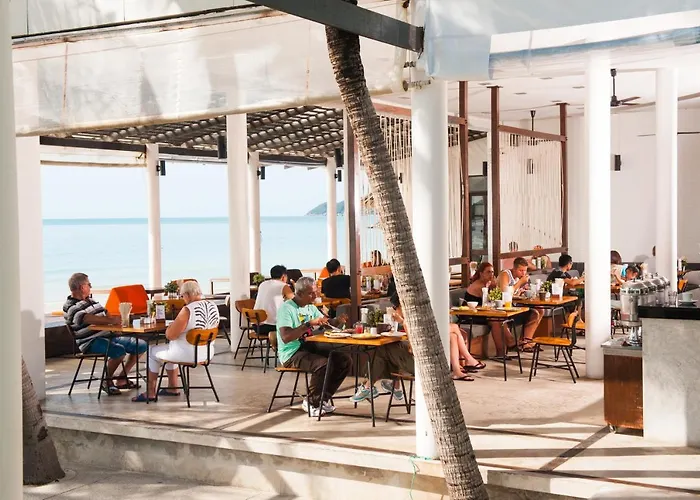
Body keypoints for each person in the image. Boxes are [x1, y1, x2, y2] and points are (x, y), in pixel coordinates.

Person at [132, 281, 220, 402]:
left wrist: (171, 327)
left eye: (182, 296)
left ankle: (150, 392)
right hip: (207, 353)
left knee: (152, 351)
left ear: (187, 294)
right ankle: (172, 387)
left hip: (187, 354)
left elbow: (170, 335)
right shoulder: (213, 306)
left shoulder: (187, 310)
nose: (183, 299)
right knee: (170, 349)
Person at [276, 277, 352, 417]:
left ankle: (322, 399)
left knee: (344, 360)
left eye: (316, 292)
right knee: (322, 364)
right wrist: (308, 324)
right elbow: (286, 337)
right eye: (311, 293)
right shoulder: (287, 309)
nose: (315, 295)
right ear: (300, 294)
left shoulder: (310, 307)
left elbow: (324, 322)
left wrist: (337, 321)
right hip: (291, 353)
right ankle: (311, 402)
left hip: (309, 347)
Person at [63, 272, 147, 396]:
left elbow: (105, 312)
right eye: (89, 284)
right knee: (118, 351)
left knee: (140, 345)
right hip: (90, 342)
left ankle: (122, 378)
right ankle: (106, 381)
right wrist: (110, 321)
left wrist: (115, 324)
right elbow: (86, 318)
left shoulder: (90, 300)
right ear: (82, 287)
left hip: (108, 336)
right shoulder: (70, 306)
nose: (90, 287)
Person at [465, 262, 517, 356]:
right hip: (471, 315)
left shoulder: (486, 284)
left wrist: (494, 287)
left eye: (492, 272)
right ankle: (506, 346)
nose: (491, 274)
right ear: (481, 273)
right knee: (495, 320)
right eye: (488, 272)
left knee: (498, 319)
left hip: (483, 313)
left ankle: (504, 349)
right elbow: (489, 302)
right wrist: (493, 287)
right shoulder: (479, 286)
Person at [498, 258, 542, 351]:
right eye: (521, 270)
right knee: (534, 312)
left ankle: (526, 342)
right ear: (514, 269)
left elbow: (514, 294)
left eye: (525, 270)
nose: (523, 273)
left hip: (514, 306)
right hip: (502, 307)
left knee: (538, 311)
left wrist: (522, 291)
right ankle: (514, 343)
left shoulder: (518, 278)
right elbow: (505, 292)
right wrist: (520, 282)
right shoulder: (505, 274)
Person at [254, 265, 295, 335]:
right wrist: (295, 286)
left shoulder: (262, 284)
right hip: (272, 326)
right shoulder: (283, 286)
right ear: (283, 276)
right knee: (297, 323)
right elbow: (296, 302)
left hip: (256, 326)